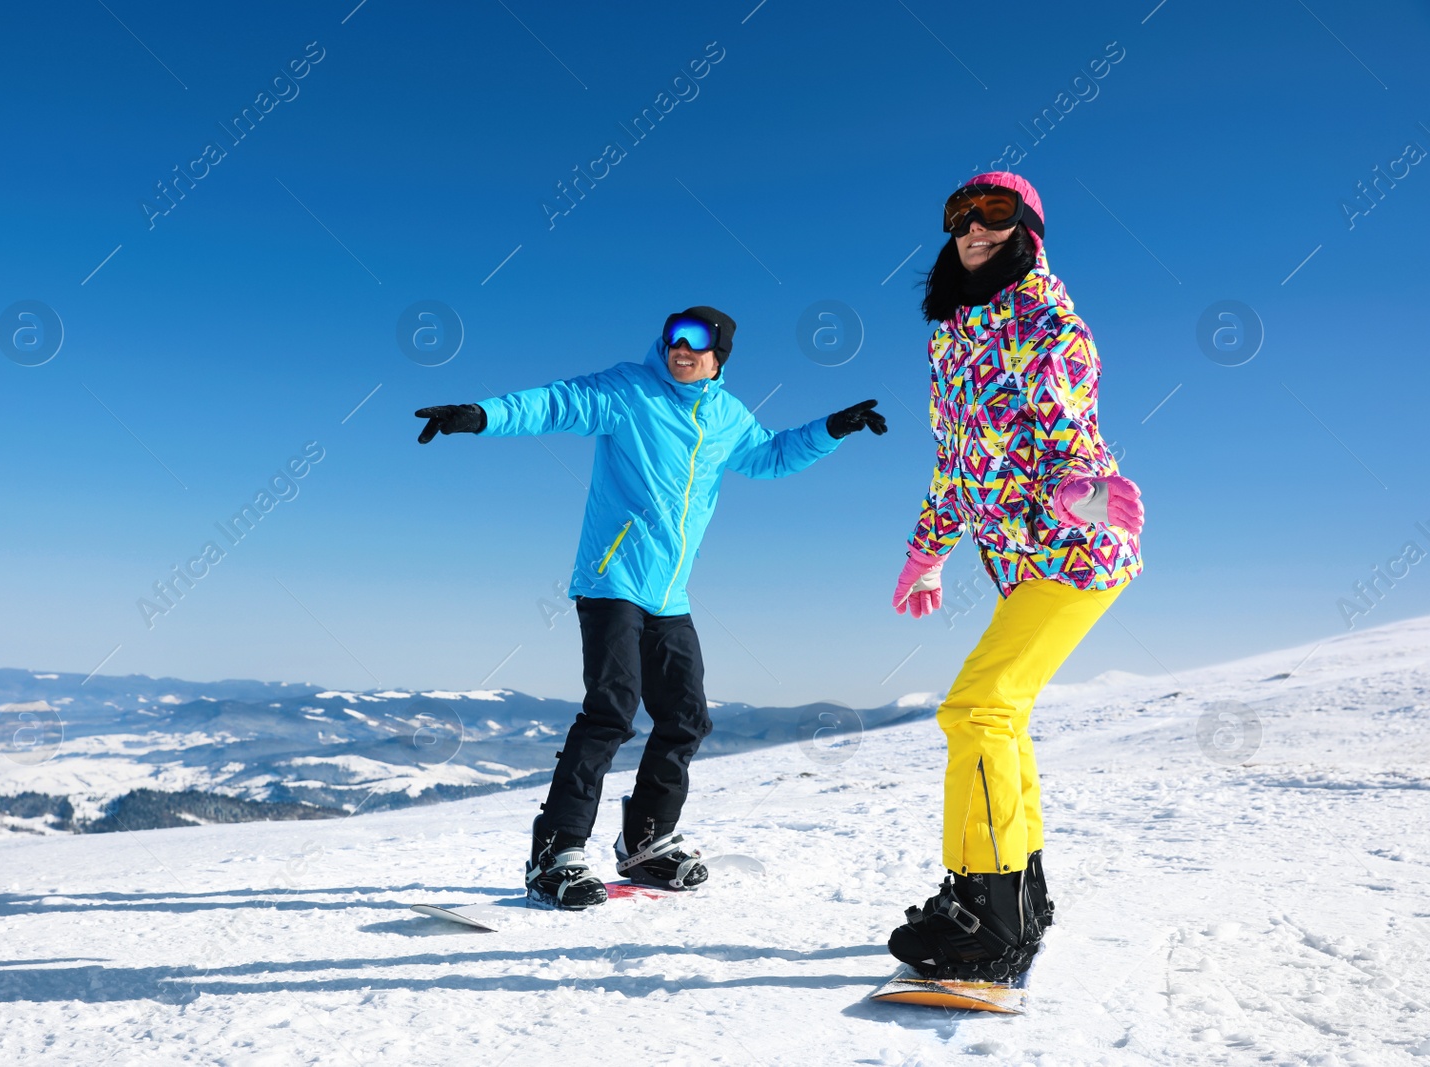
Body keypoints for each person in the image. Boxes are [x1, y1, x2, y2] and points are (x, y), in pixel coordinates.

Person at [416, 307, 887, 909]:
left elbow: (769, 457)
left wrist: (832, 428)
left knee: (686, 716)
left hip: (670, 594)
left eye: (695, 342)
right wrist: (480, 416)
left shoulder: (725, 417)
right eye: (671, 339)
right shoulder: (628, 391)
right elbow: (555, 403)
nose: (680, 350)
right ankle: (555, 852)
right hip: (612, 580)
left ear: (720, 355)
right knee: (611, 711)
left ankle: (646, 841)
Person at [885, 174, 1144, 979]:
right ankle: (1019, 894)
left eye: (995, 214)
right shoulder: (950, 336)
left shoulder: (1047, 320)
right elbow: (957, 464)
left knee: (975, 710)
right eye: (961, 217)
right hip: (1025, 561)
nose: (974, 228)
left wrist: (1080, 492)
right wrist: (928, 552)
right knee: (1001, 716)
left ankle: (987, 912)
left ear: (1027, 229)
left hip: (1078, 552)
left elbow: (1070, 418)